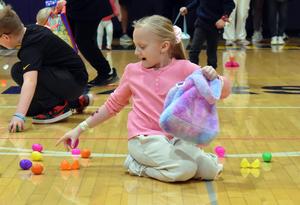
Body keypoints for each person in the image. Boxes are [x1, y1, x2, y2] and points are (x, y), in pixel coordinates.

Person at [57, 15, 229, 182]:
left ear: (164, 46)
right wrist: (79, 129)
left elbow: (223, 92)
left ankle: (185, 160)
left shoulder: (186, 69)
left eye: (142, 46)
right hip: (144, 139)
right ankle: (135, 164)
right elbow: (112, 106)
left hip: (176, 139)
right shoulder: (133, 71)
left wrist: (215, 78)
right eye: (135, 46)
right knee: (184, 170)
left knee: (210, 171)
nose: (136, 52)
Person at [0, 6, 93, 132]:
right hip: (70, 78)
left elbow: (30, 81)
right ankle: (74, 102)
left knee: (18, 71)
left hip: (73, 82)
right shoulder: (32, 29)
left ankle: (59, 108)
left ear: (5, 37)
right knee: (32, 110)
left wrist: (18, 115)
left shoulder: (30, 47)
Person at [66, 0, 119, 86]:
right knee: (75, 39)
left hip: (89, 6)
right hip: (74, 6)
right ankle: (74, 73)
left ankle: (106, 72)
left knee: (83, 41)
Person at [180, 0, 235, 69]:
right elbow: (197, 1)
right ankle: (193, 72)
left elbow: (230, 5)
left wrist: (223, 19)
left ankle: (211, 75)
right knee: (194, 50)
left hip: (215, 25)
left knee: (211, 53)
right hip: (201, 22)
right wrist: (187, 8)